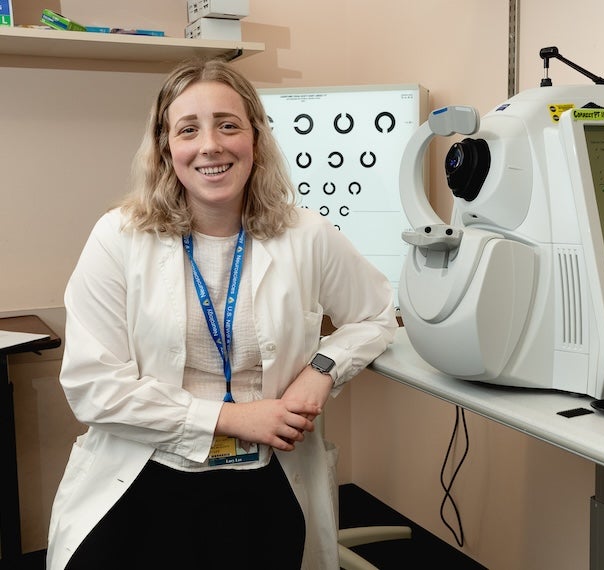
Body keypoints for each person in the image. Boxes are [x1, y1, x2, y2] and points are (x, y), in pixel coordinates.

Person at [46, 58, 398, 570]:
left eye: (228, 125)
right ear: (166, 147)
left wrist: (322, 370)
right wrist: (232, 418)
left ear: (255, 137)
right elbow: (92, 386)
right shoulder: (118, 237)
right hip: (144, 474)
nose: (210, 145)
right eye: (188, 129)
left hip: (264, 480)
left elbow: (378, 314)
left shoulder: (307, 235)